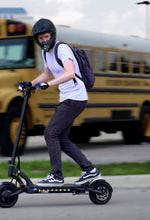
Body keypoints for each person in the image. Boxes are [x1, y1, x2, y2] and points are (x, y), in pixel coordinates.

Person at [28, 18, 100, 186]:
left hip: (75, 97)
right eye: (40, 38)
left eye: (46, 37)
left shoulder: (62, 49)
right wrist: (30, 84)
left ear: (52, 35)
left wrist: (48, 85)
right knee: (61, 138)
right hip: (67, 98)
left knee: (50, 133)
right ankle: (89, 170)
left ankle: (56, 175)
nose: (44, 40)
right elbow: (47, 73)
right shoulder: (46, 53)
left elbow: (70, 73)